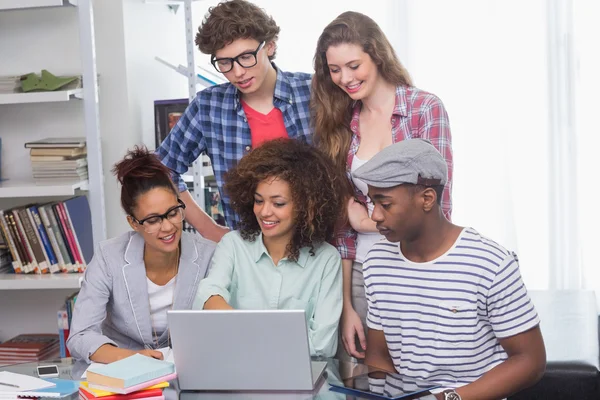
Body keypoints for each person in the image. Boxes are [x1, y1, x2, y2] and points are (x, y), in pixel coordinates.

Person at [311, 11, 454, 361]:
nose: (345, 78)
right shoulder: (341, 122)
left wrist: (366, 220)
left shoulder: (424, 109)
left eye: (353, 65)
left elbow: (438, 205)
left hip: (418, 269)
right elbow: (342, 227)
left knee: (420, 373)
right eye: (334, 70)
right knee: (363, 378)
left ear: (377, 54)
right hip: (363, 270)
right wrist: (345, 306)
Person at [354, 139, 546, 400]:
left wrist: (446, 398)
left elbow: (530, 361)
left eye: (385, 204)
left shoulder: (491, 263)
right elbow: (379, 354)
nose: (375, 215)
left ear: (427, 199)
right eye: (372, 203)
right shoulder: (377, 261)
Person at [157, 0, 312, 240]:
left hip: (320, 249)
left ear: (269, 46)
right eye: (225, 62)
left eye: (246, 57)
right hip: (248, 255)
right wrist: (210, 230)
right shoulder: (208, 106)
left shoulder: (313, 92)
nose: (237, 72)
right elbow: (162, 169)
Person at [67, 146, 216, 378]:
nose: (167, 227)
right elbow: (81, 335)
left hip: (187, 373)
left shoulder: (208, 255)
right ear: (134, 223)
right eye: (153, 220)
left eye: (173, 212)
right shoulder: (109, 257)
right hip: (122, 373)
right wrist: (131, 358)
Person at [194, 139, 344, 357]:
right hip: (238, 371)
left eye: (278, 203)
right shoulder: (234, 245)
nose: (264, 212)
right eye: (258, 201)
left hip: (299, 379)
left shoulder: (326, 260)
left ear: (306, 206)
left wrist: (243, 334)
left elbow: (322, 345)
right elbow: (208, 293)